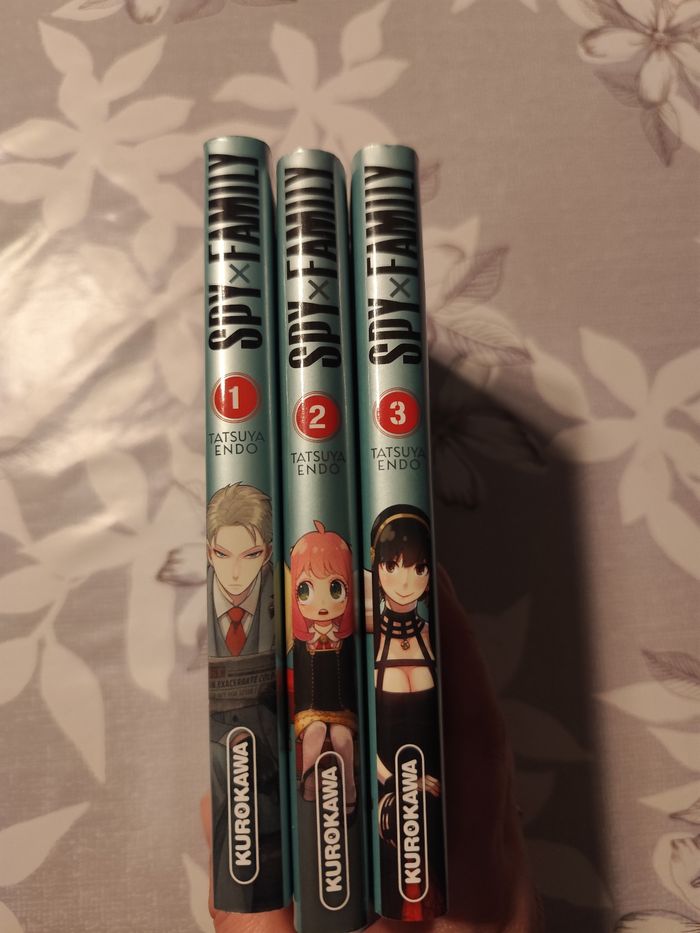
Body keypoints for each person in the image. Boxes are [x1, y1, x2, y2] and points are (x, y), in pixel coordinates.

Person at [202, 566, 541, 932]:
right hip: (310, 719)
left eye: (335, 589)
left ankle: (344, 805)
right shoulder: (295, 639)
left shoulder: (357, 634)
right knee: (316, 744)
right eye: (305, 591)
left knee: (343, 745)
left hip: (348, 719)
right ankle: (322, 807)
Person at [289, 521, 358, 810]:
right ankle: (309, 784)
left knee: (342, 738)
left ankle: (349, 789)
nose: (321, 603)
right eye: (305, 590)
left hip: (341, 707)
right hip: (310, 708)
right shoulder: (301, 641)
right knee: (315, 732)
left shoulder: (347, 638)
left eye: (335, 588)